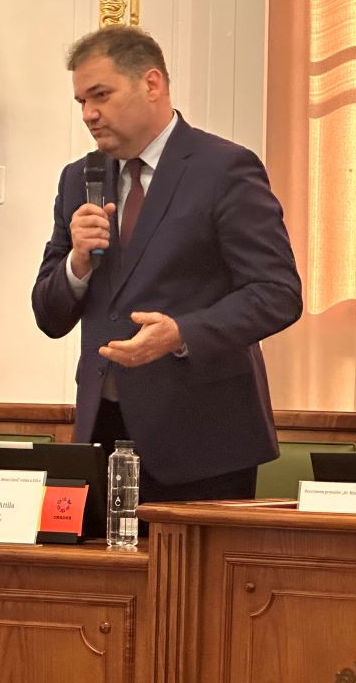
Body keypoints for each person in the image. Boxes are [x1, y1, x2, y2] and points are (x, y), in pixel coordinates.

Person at [32, 25, 302, 503]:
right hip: (102, 432)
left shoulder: (223, 168)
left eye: (101, 95)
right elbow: (49, 316)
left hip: (204, 439)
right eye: (81, 102)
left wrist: (181, 333)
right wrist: (77, 262)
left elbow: (277, 293)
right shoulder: (79, 178)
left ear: (151, 83)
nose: (89, 114)